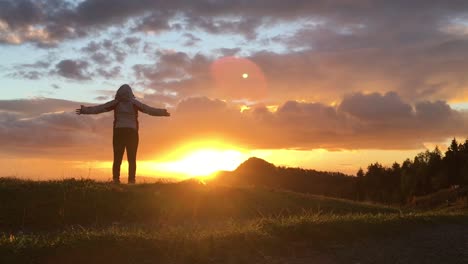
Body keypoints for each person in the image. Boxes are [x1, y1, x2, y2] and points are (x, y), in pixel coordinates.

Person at [76, 84, 170, 184]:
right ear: (131, 93)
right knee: (132, 158)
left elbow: (100, 108)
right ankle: (131, 181)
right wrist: (162, 112)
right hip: (132, 133)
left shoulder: (116, 103)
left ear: (118, 93)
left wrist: (84, 110)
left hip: (118, 132)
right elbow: (149, 110)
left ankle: (116, 179)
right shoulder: (135, 103)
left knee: (117, 157)